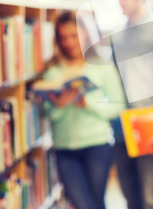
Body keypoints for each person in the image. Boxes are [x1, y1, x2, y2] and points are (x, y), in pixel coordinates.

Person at [41, 11, 126, 209]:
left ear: (86, 35)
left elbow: (117, 106)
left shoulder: (102, 65)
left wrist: (88, 104)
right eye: (63, 37)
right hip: (64, 149)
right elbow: (47, 113)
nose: (69, 42)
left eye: (74, 36)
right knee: (82, 204)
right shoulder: (53, 70)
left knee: (95, 203)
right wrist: (60, 106)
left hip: (97, 145)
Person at [110, 0, 153, 209]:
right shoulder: (117, 37)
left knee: (150, 197)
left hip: (148, 126)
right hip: (121, 126)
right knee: (129, 195)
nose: (119, 2)